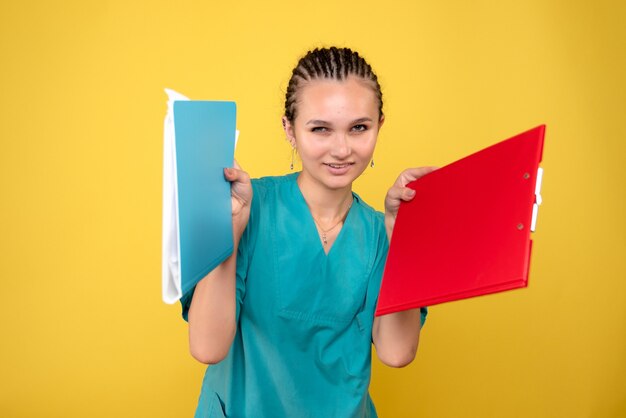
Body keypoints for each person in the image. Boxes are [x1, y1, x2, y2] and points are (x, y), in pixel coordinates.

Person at [181, 46, 435, 418]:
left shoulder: (379, 232)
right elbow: (207, 347)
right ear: (289, 129)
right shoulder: (248, 208)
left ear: (380, 124)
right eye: (320, 129)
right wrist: (230, 231)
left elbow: (397, 353)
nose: (342, 148)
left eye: (359, 128)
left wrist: (402, 236)